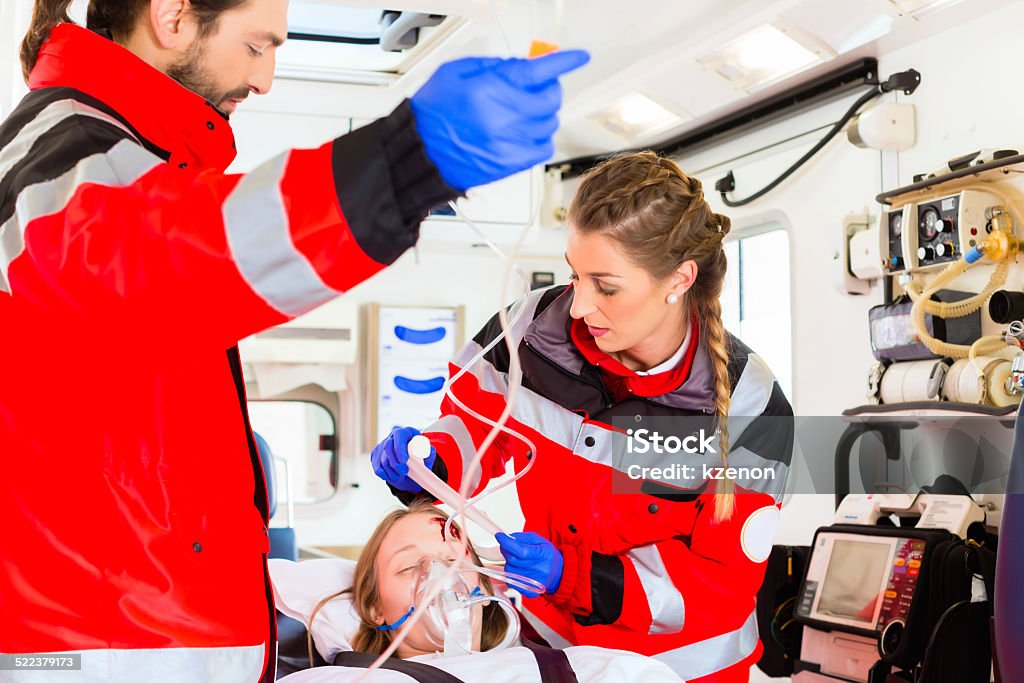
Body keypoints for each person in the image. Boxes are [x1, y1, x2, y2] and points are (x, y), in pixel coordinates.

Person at [0, 0, 588, 680]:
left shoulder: (117, 164)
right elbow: (191, 258)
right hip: (105, 651)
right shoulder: (61, 161)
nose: (267, 78)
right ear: (172, 16)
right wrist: (405, 161)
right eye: (257, 45)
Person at [371, 152, 795, 682]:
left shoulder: (751, 406)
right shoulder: (527, 332)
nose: (577, 306)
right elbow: (475, 428)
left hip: (680, 670)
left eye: (606, 286)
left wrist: (571, 575)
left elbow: (717, 585)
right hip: (551, 652)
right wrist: (433, 459)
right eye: (576, 276)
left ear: (679, 279)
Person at [277, 499, 681, 683]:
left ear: (479, 581)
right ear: (375, 609)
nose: (436, 572)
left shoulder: (593, 670)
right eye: (407, 566)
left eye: (452, 557)